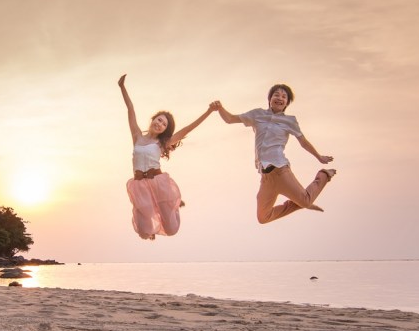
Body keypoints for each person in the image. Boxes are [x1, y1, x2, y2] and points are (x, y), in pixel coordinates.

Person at [213, 84, 335, 224]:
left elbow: (303, 142)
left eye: (284, 97)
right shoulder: (257, 115)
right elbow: (229, 119)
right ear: (270, 99)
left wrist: (319, 157)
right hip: (266, 178)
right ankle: (301, 203)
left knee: (306, 201)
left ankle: (325, 174)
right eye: (276, 95)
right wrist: (220, 108)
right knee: (263, 218)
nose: (280, 98)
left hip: (281, 171)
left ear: (287, 103)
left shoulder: (290, 121)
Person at [119, 74, 217, 239]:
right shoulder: (137, 136)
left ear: (165, 130)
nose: (160, 124)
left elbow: (187, 129)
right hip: (139, 185)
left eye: (164, 124)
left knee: (171, 230)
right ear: (153, 119)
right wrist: (122, 87)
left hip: (158, 183)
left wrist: (209, 111)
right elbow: (131, 109)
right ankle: (162, 212)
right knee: (143, 232)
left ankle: (174, 202)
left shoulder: (162, 143)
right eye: (159, 120)